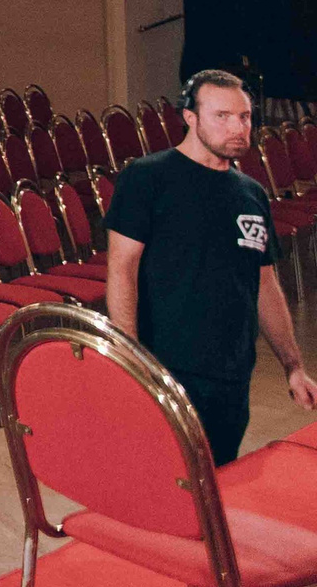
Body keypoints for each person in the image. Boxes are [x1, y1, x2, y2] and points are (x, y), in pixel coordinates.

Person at [105, 67, 317, 463]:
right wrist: (131, 362)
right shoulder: (148, 177)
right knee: (167, 488)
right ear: (191, 117)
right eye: (222, 116)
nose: (238, 127)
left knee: (218, 480)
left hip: (232, 373)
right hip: (167, 369)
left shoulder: (250, 193)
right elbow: (122, 269)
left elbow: (264, 283)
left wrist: (294, 365)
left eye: (245, 117)